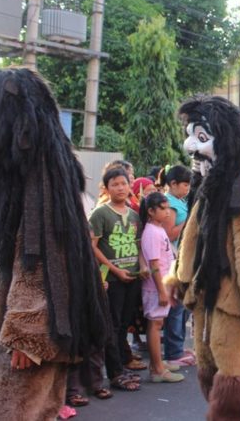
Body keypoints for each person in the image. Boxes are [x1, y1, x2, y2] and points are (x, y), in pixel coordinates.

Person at [0, 68, 109, 419]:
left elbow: (41, 259)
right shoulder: (15, 180)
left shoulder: (41, 181)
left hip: (26, 337)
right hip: (9, 334)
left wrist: (28, 334)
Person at [166, 95, 240, 420]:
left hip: (232, 297)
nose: (191, 146)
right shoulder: (208, 185)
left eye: (201, 138)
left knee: (232, 384)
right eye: (190, 135)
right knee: (208, 372)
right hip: (204, 293)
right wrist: (180, 276)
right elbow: (191, 236)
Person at [89, 167, 144, 392]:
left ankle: (121, 366)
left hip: (132, 277)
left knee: (123, 324)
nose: (120, 188)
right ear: (107, 188)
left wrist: (141, 268)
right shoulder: (100, 213)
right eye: (115, 184)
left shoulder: (133, 214)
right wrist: (114, 269)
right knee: (111, 325)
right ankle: (114, 373)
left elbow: (138, 245)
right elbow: (92, 247)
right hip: (111, 278)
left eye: (123, 183)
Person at [139, 192, 184, 383]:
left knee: (158, 324)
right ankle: (157, 369)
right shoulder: (151, 232)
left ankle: (157, 364)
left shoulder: (157, 230)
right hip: (155, 287)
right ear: (151, 211)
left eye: (167, 208)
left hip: (163, 284)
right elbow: (154, 265)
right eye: (163, 209)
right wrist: (161, 290)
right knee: (155, 325)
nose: (167, 212)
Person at [159, 164, 196, 368]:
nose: (187, 189)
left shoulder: (180, 201)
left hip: (184, 260)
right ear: (172, 184)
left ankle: (178, 347)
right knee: (176, 309)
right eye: (184, 185)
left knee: (184, 308)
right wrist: (190, 222)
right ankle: (173, 352)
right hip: (173, 262)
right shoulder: (170, 203)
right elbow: (171, 234)